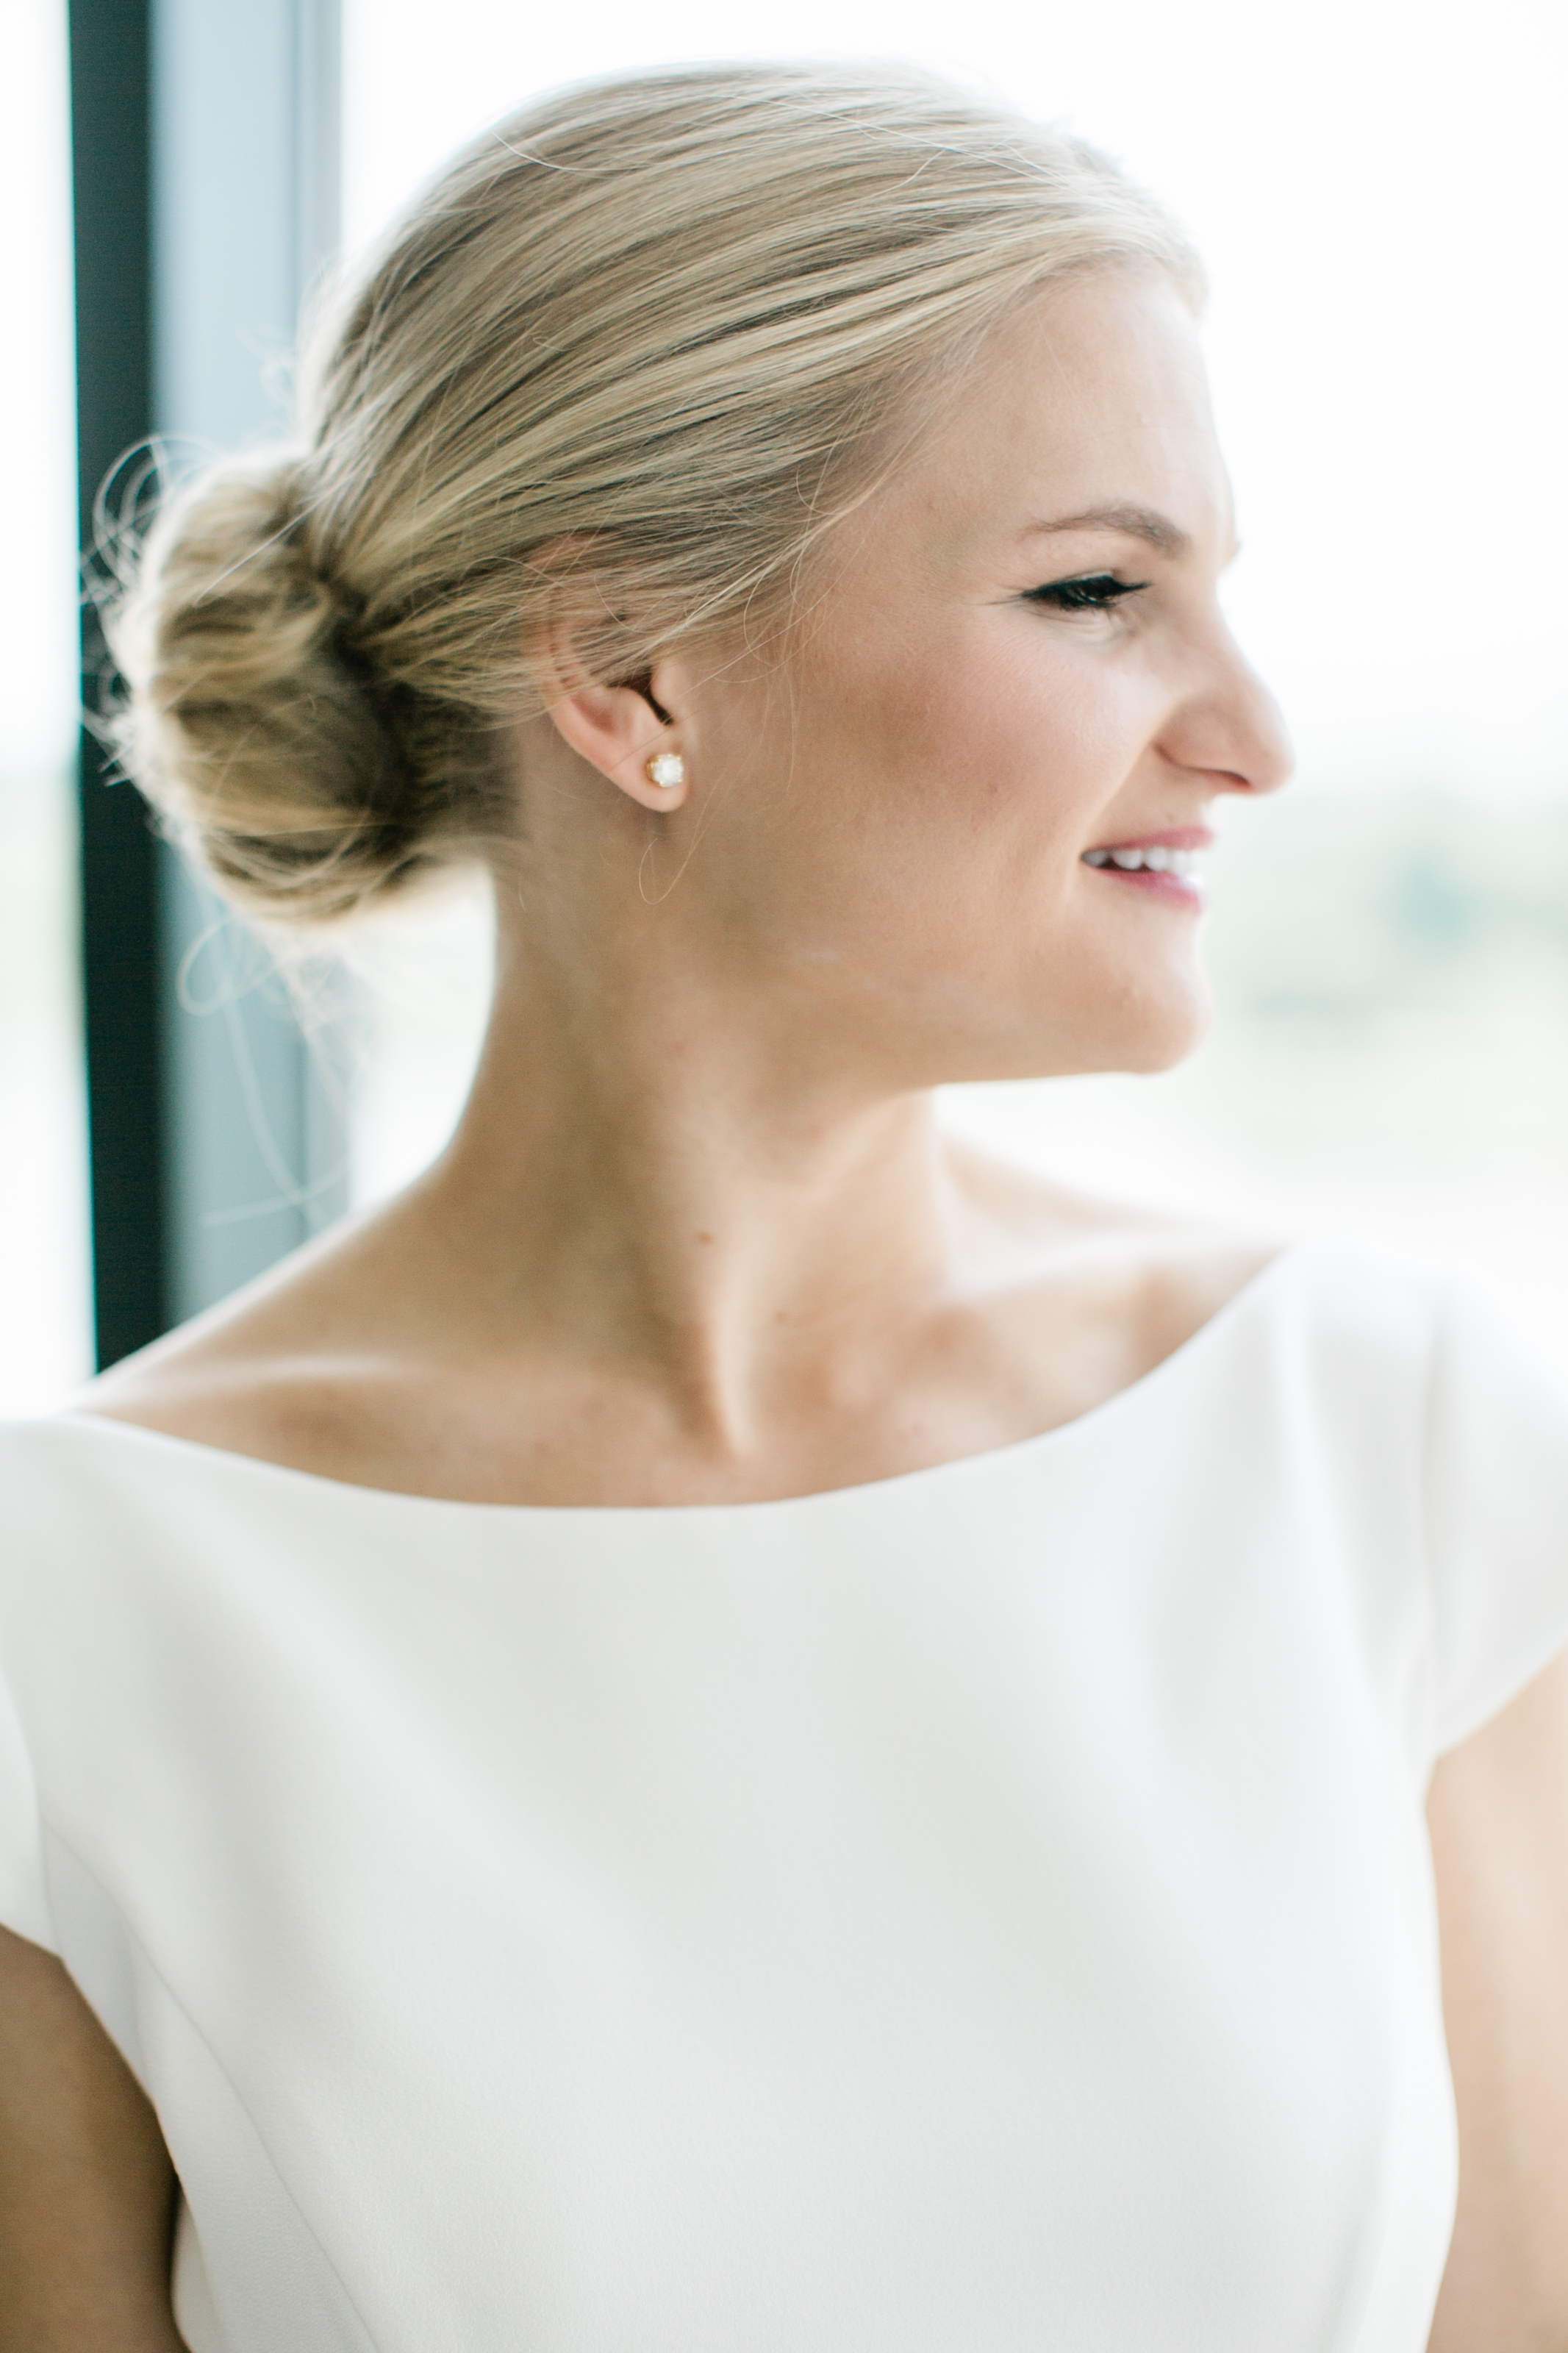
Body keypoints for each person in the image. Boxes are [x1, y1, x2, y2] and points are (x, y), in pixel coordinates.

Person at [2, 61, 1566, 2353]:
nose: (1252, 731)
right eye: (1098, 590)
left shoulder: (1393, 1444)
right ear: (629, 669)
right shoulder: (80, 1612)